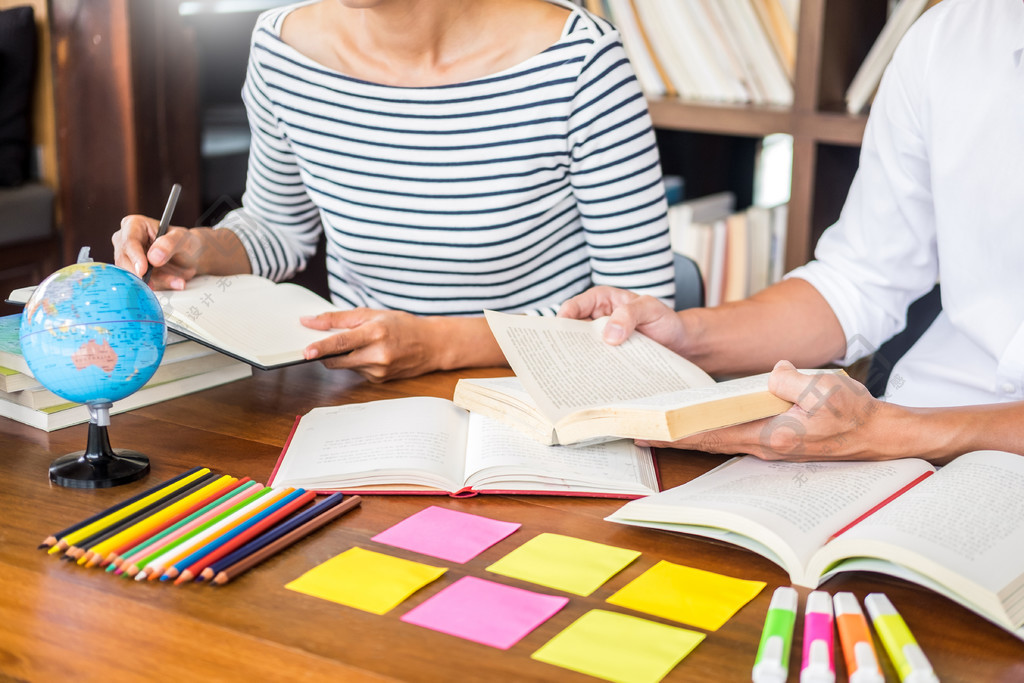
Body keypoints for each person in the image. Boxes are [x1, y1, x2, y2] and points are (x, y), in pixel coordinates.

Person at [560, 0, 1024, 464]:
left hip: (913, 438)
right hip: (910, 445)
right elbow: (860, 280)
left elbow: (889, 430)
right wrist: (687, 337)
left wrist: (894, 433)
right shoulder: (950, 36)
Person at [112, 0, 674, 382]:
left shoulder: (581, 62)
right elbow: (278, 229)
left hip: (539, 392)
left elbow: (641, 309)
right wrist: (197, 250)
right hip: (361, 400)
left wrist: (440, 346)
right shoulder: (281, 49)